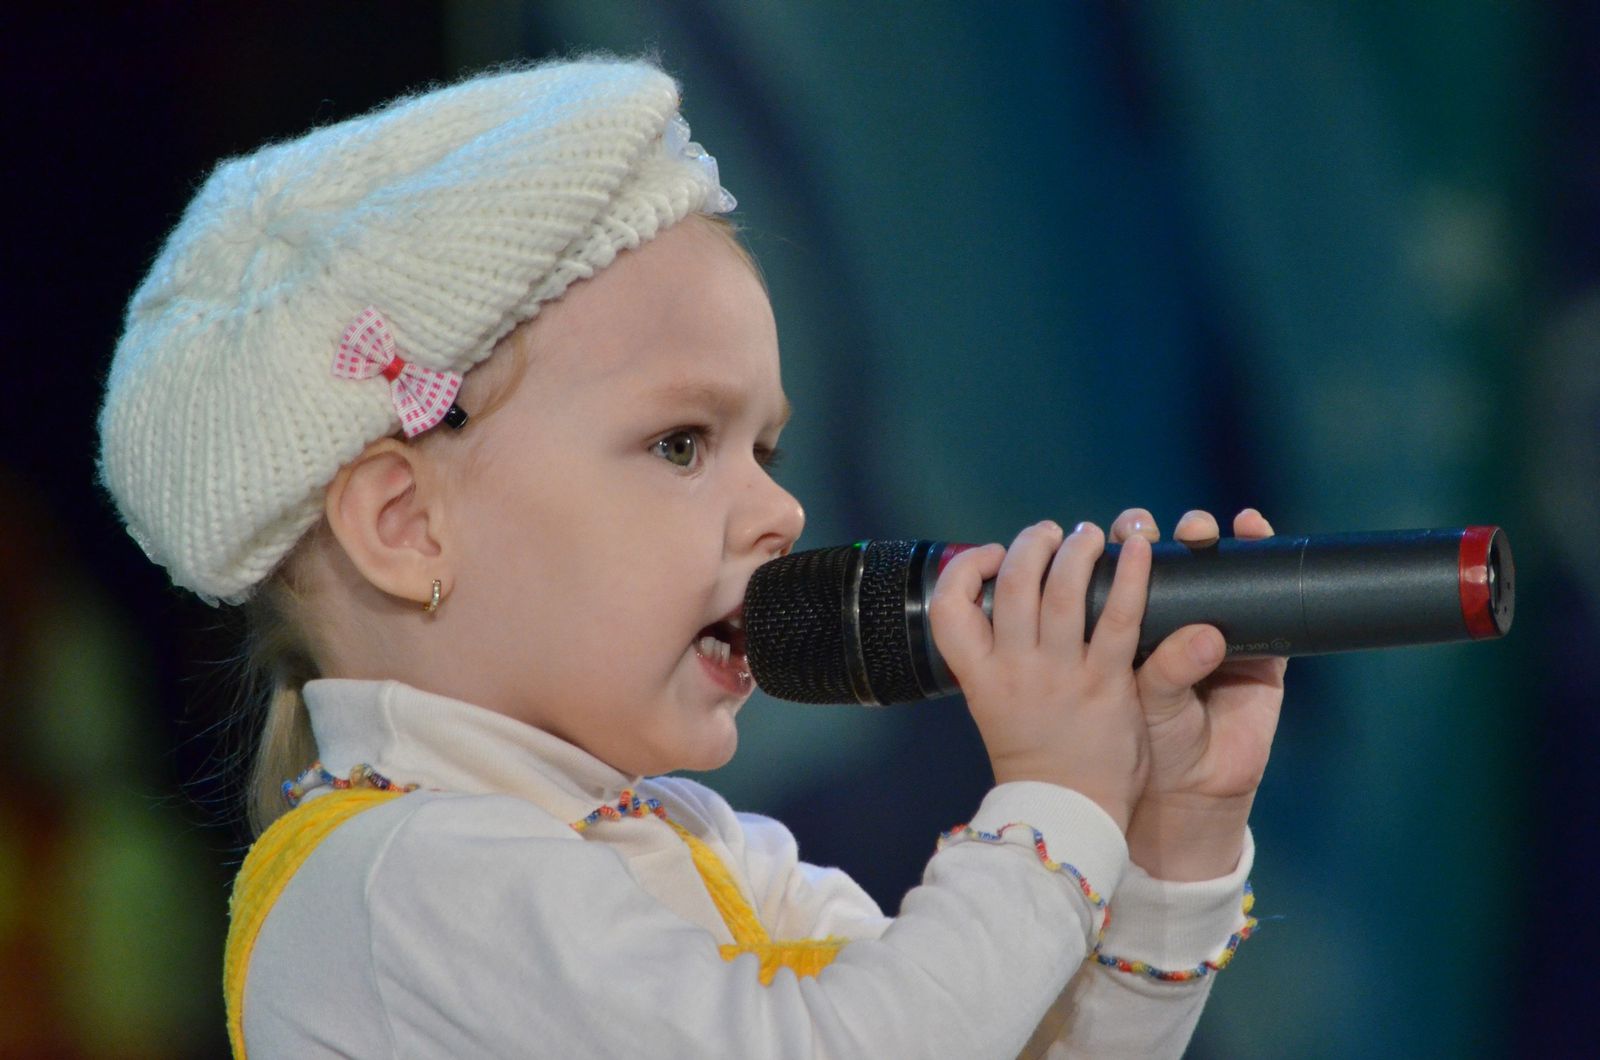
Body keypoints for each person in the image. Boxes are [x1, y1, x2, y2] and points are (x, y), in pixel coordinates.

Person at [97, 56, 1286, 1058]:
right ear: (406, 526)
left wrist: (1169, 840)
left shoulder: (702, 848)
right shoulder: (397, 880)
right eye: (681, 443)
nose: (781, 510)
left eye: (765, 448)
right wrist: (1054, 798)